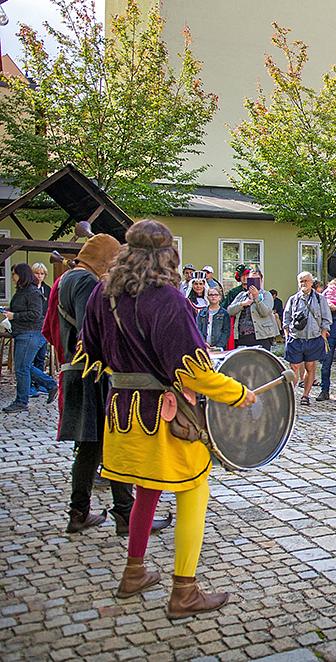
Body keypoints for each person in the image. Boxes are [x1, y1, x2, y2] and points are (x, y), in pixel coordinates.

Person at [74, 219, 256, 619]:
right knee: (194, 491)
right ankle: (185, 591)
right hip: (164, 418)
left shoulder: (103, 294)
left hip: (122, 414)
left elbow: (90, 352)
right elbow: (193, 372)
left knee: (147, 489)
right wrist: (238, 393)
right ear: (168, 255)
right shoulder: (168, 299)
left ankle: (134, 572)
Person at [52, 234, 169, 536]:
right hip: (91, 373)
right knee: (116, 442)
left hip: (77, 370)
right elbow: (91, 328)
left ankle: (79, 512)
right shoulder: (86, 282)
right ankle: (126, 514)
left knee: (91, 448)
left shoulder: (67, 279)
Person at [3, 264, 58, 413]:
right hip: (22, 333)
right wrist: (9, 312)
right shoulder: (22, 291)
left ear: (21, 275)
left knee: (22, 368)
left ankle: (22, 401)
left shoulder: (33, 292)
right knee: (23, 366)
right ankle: (50, 385)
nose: (12, 277)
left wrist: (14, 316)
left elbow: (35, 314)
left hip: (30, 333)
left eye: (14, 274)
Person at [283, 272, 332, 406]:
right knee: (294, 367)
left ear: (311, 282)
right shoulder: (293, 299)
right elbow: (286, 319)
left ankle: (305, 395)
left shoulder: (320, 299)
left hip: (313, 338)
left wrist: (322, 335)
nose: (304, 283)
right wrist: (287, 336)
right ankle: (291, 395)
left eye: (306, 280)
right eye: (301, 281)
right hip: (296, 338)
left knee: (310, 367)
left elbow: (326, 319)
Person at [226, 269, 278, 350]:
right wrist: (242, 304)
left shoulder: (266, 294)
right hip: (242, 337)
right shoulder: (241, 295)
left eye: (256, 279)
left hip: (261, 336)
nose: (253, 282)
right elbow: (230, 311)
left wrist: (257, 297)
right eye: (250, 279)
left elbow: (265, 312)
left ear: (261, 281)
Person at [30, 262, 52, 395]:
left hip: (43, 327)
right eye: (37, 273)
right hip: (32, 327)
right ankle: (30, 385)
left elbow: (50, 307)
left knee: (41, 357)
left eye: (42, 274)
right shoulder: (28, 289)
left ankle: (39, 384)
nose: (39, 276)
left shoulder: (47, 289)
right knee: (30, 358)